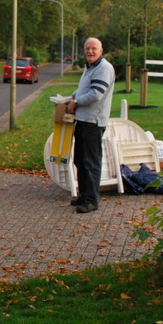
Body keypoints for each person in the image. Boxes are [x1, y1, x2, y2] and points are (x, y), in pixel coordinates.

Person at [66, 37, 115, 213]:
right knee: (80, 160)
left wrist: (75, 103)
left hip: (93, 122)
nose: (90, 51)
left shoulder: (104, 68)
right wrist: (72, 97)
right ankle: (83, 195)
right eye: (87, 48)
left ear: (101, 51)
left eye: (94, 48)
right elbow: (84, 90)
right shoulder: (90, 67)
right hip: (82, 120)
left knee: (91, 162)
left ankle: (92, 200)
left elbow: (95, 94)